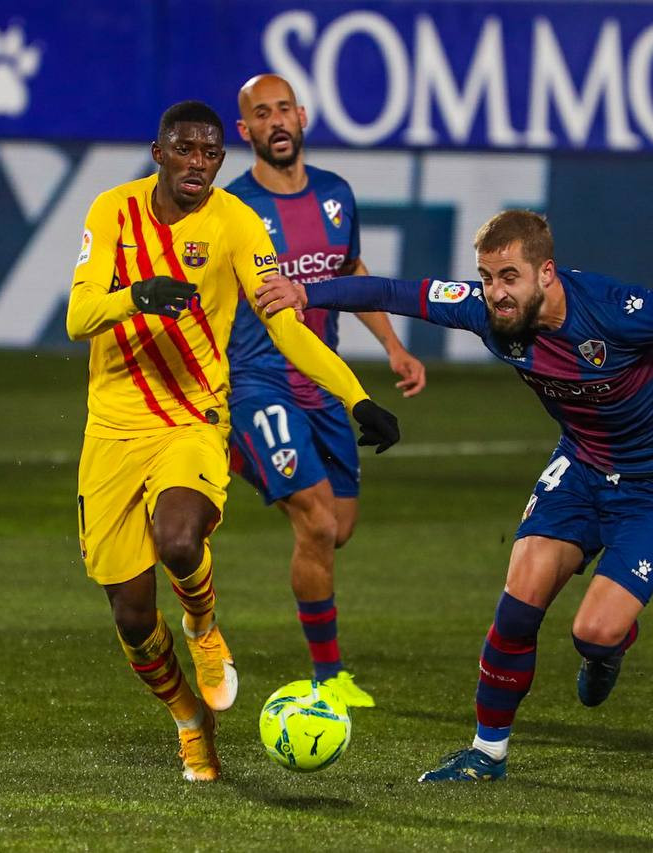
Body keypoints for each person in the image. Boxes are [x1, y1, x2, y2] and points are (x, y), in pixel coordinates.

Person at [255, 209, 653, 781]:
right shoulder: (486, 310)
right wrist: (309, 292)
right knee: (519, 603)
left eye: (509, 277)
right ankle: (486, 754)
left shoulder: (621, 310)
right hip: (580, 468)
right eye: (486, 276)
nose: (495, 291)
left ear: (545, 274)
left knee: (594, 632)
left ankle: (608, 651)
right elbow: (396, 293)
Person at [65, 100, 400, 782]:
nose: (198, 163)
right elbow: (78, 315)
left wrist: (356, 394)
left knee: (181, 539)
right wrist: (138, 295)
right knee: (131, 616)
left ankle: (203, 626)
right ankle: (192, 719)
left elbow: (285, 327)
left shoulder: (238, 223)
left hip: (192, 419)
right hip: (112, 429)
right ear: (158, 152)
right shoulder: (111, 211)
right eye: (185, 149)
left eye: (211, 153)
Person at [225, 74, 426, 707]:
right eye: (263, 114)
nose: (277, 121)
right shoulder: (233, 209)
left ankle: (242, 460)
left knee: (339, 528)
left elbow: (350, 271)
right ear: (246, 130)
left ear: (304, 116)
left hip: (323, 382)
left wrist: (392, 346)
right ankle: (328, 676)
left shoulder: (337, 195)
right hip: (259, 383)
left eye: (285, 109)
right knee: (313, 521)